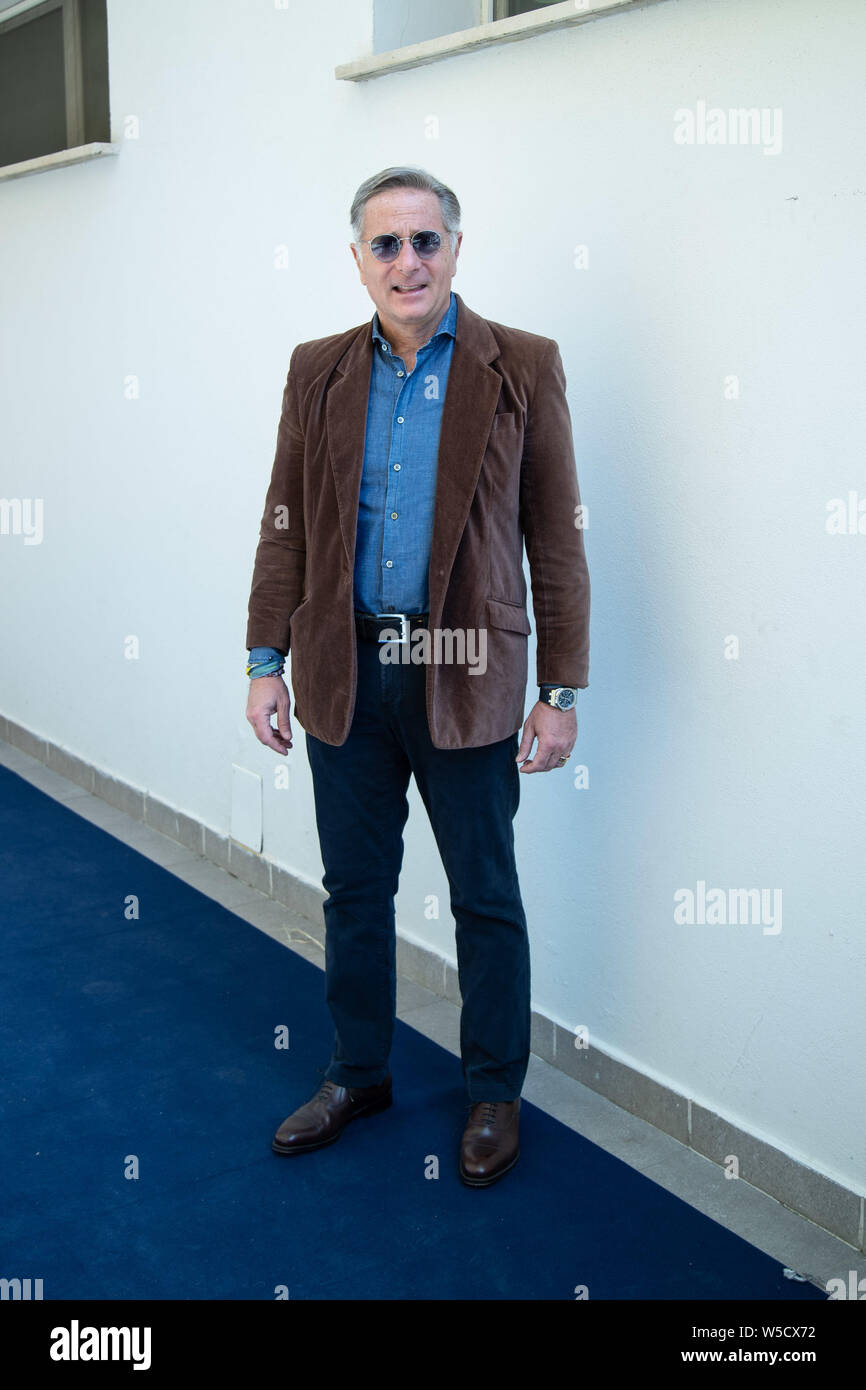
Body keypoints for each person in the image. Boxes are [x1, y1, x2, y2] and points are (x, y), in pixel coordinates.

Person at [244, 166, 589, 1187]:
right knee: (354, 888)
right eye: (385, 244)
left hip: (465, 671)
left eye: (425, 240)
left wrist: (558, 687)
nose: (408, 261)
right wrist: (266, 658)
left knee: (484, 895)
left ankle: (491, 1089)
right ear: (357, 261)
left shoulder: (520, 364)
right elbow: (284, 524)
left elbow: (554, 538)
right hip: (344, 665)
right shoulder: (315, 369)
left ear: (454, 248)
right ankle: (357, 1071)